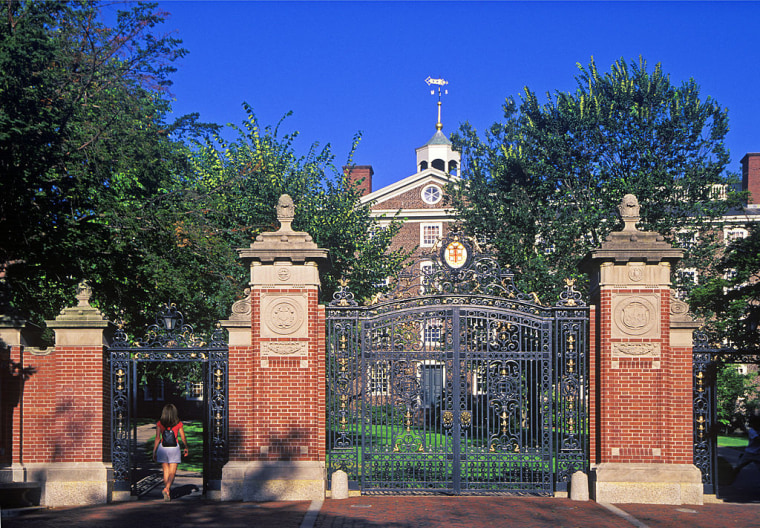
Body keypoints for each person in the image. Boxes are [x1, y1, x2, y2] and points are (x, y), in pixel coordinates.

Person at [152, 403, 189, 501]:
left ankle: (167, 492)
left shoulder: (160, 423)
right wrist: (186, 447)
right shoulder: (179, 423)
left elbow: (157, 438)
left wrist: (154, 451)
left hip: (163, 448)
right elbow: (183, 437)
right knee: (172, 472)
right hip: (174, 448)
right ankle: (167, 489)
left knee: (166, 471)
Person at [734, 414, 760, 480]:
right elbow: (757, 439)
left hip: (758, 454)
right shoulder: (752, 431)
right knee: (739, 466)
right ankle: (730, 478)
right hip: (749, 453)